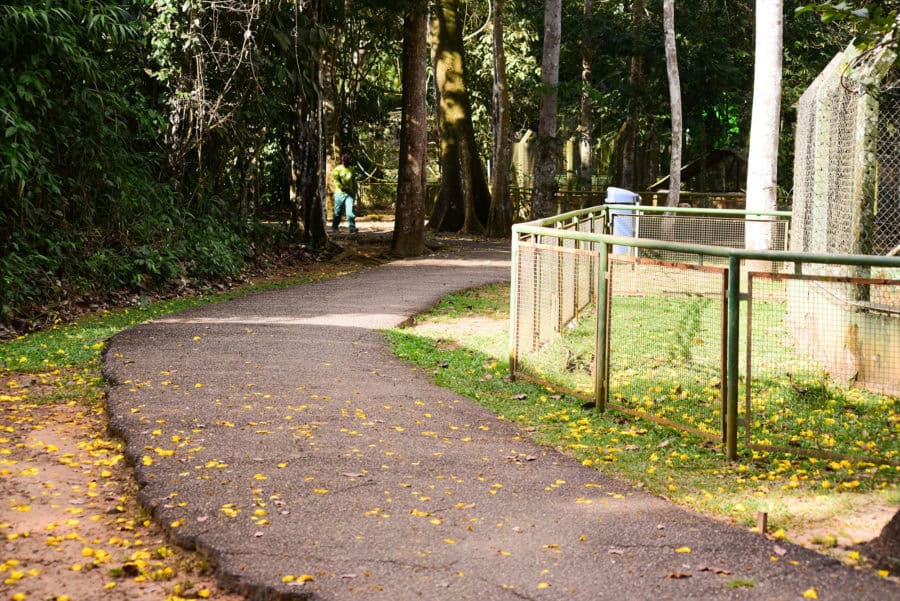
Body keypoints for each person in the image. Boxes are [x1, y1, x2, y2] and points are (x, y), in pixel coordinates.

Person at [332, 154, 357, 233]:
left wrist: (354, 191)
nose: (345, 163)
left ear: (349, 161)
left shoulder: (352, 169)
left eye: (347, 161)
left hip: (350, 194)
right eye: (344, 161)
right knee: (338, 211)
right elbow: (336, 180)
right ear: (342, 161)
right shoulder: (337, 169)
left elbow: (354, 181)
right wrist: (341, 186)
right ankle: (335, 227)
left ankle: (352, 227)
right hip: (339, 194)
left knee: (350, 211)